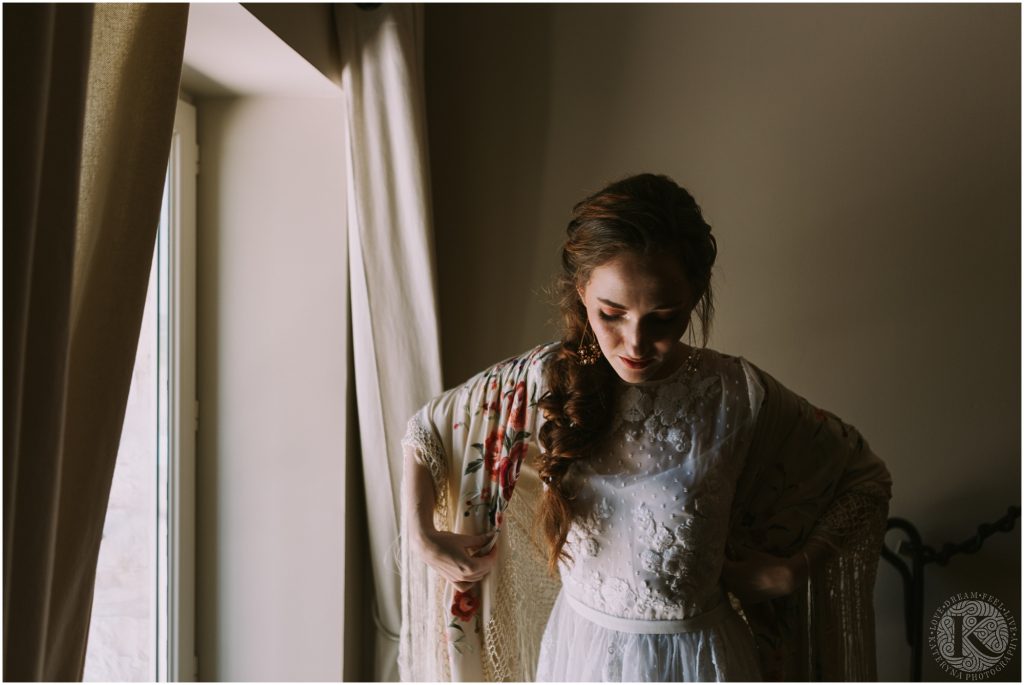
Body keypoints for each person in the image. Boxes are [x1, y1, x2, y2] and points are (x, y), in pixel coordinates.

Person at [398, 173, 893, 682]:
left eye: (663, 317)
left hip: (698, 663)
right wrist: (421, 534)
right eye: (611, 314)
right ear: (582, 292)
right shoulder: (546, 378)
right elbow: (429, 428)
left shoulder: (737, 394)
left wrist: (794, 570)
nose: (635, 343)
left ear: (694, 297)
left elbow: (864, 478)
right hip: (580, 656)